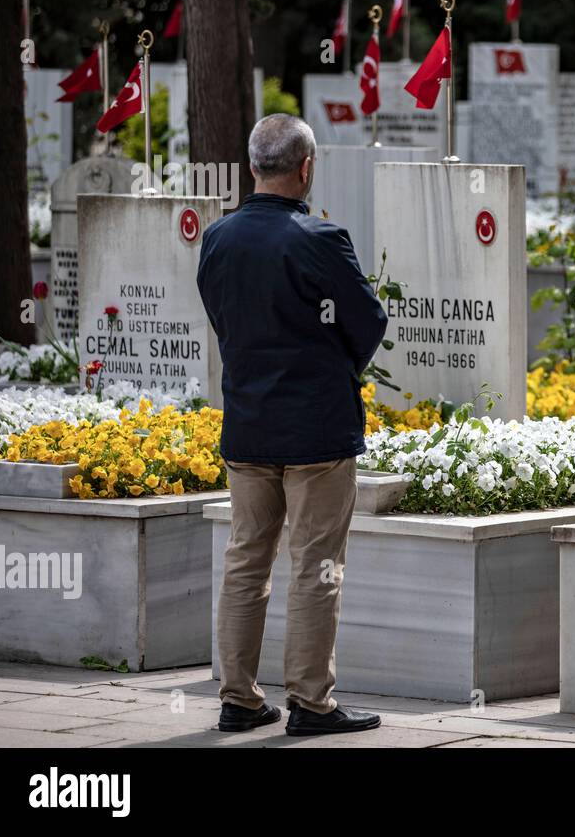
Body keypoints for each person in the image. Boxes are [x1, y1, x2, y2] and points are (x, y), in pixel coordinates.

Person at [197, 114, 388, 736]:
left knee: (245, 560)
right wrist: (336, 367)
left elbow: (226, 322)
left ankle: (239, 699)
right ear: (305, 168)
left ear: (254, 165)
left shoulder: (219, 238)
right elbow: (368, 320)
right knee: (316, 566)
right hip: (316, 431)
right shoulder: (319, 238)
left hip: (249, 424)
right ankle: (311, 703)